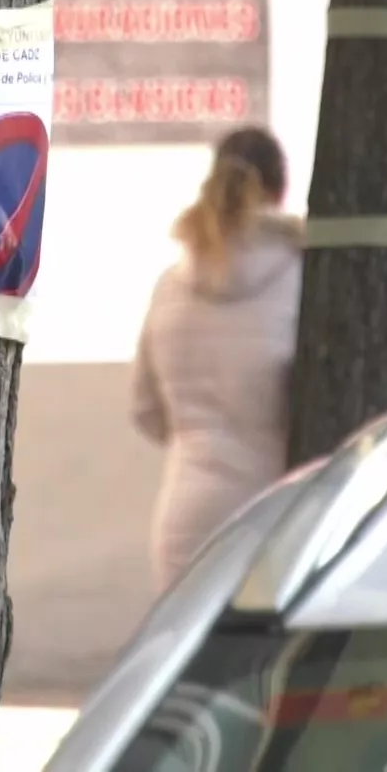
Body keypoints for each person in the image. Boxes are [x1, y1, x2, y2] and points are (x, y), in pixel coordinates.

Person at [131, 126, 302, 592]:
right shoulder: (302, 277)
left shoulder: (171, 284)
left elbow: (145, 411)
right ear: (280, 189)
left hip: (184, 523)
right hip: (274, 519)